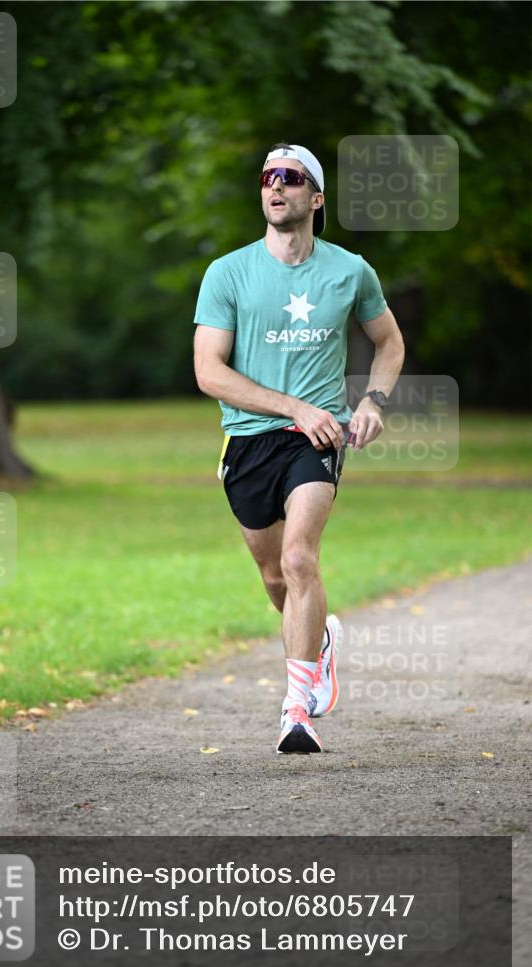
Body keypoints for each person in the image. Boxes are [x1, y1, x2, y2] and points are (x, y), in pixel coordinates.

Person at [193, 141, 405, 754]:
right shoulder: (228, 273)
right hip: (248, 441)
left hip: (318, 439)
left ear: (316, 198)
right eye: (267, 178)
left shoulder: (350, 270)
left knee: (298, 560)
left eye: (290, 177)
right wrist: (291, 405)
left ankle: (297, 712)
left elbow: (389, 344)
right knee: (272, 574)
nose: (275, 186)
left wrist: (372, 403)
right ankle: (321, 647)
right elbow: (210, 372)